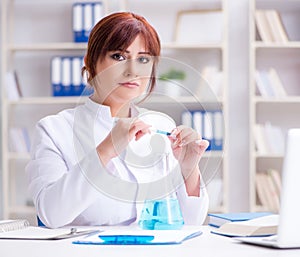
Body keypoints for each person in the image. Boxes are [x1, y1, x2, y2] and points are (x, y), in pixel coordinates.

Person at [25, 12, 209, 228]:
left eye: (143, 59)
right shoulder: (54, 130)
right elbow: (51, 215)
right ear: (91, 63)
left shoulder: (163, 126)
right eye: (118, 57)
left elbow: (192, 222)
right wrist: (106, 150)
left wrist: (188, 169)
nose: (133, 71)